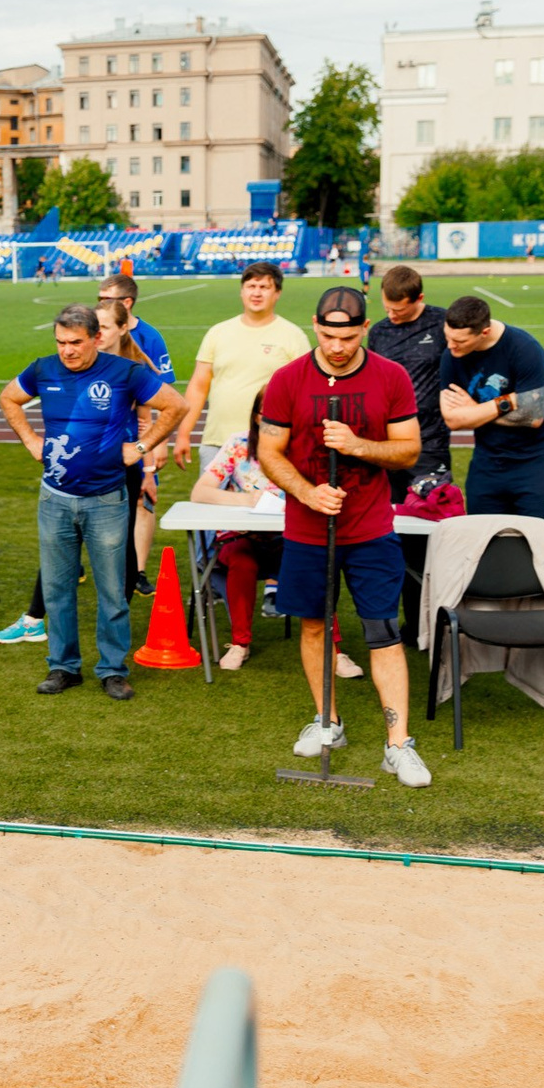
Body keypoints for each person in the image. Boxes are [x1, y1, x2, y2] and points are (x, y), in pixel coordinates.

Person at [255, 287, 431, 787]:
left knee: (383, 632)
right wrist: (307, 493)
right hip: (308, 530)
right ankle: (327, 720)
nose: (337, 347)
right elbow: (269, 452)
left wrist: (357, 445)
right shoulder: (287, 380)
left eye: (349, 338)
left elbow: (408, 450)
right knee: (314, 627)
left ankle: (398, 745)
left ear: (365, 329)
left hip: (371, 528)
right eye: (329, 336)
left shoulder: (390, 376)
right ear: (314, 326)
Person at [0, 303, 185, 700]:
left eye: (75, 342)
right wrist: (30, 440)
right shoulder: (42, 369)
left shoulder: (126, 372)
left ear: (96, 339)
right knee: (57, 590)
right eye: (61, 342)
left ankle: (113, 670)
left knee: (113, 592)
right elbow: (9, 398)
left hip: (106, 500)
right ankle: (63, 667)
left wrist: (141, 447)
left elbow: (176, 405)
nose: (67, 350)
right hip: (55, 499)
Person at [439, 295, 544, 534]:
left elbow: (533, 417)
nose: (451, 346)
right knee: (482, 540)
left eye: (459, 341)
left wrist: (475, 410)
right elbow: (453, 419)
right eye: (447, 337)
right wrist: (507, 402)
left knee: (541, 539)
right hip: (487, 464)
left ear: (484, 332)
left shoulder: (525, 349)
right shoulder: (451, 357)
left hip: (534, 464)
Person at [172, 260, 308, 475]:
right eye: (251, 286)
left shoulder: (293, 337)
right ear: (242, 291)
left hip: (269, 445)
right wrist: (183, 433)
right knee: (210, 496)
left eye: (264, 287)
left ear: (277, 293)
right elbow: (199, 386)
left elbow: (303, 394)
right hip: (217, 442)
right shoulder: (218, 333)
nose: (257, 293)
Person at [189, 394, 283, 670]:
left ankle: (333, 647)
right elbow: (200, 492)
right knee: (242, 560)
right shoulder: (239, 443)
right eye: (267, 413)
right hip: (242, 536)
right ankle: (240, 643)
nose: (274, 420)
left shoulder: (304, 445)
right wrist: (245, 500)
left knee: (316, 561)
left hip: (288, 538)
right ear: (256, 416)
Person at [98, 271, 175, 590]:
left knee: (143, 500)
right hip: (100, 442)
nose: (100, 304)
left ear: (127, 303)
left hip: (136, 440)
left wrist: (158, 443)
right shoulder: (92, 334)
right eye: (99, 298)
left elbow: (164, 396)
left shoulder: (150, 337)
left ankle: (138, 571)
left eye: (107, 299)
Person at [366, 264, 452, 500]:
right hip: (389, 442)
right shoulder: (379, 332)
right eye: (387, 308)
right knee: (389, 512)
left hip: (430, 441)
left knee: (431, 509)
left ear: (419, 298)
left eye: (399, 310)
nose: (392, 315)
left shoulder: (442, 323)